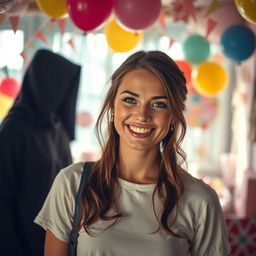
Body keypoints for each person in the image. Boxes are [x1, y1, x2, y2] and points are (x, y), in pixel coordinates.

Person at [35, 50, 230, 256]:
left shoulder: (200, 199)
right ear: (112, 105)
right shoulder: (71, 184)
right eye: (130, 100)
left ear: (173, 115)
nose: (142, 115)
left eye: (159, 104)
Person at [0, 49, 81, 256]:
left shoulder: (58, 129)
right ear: (44, 83)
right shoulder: (13, 130)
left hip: (57, 241)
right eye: (59, 84)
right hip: (21, 245)